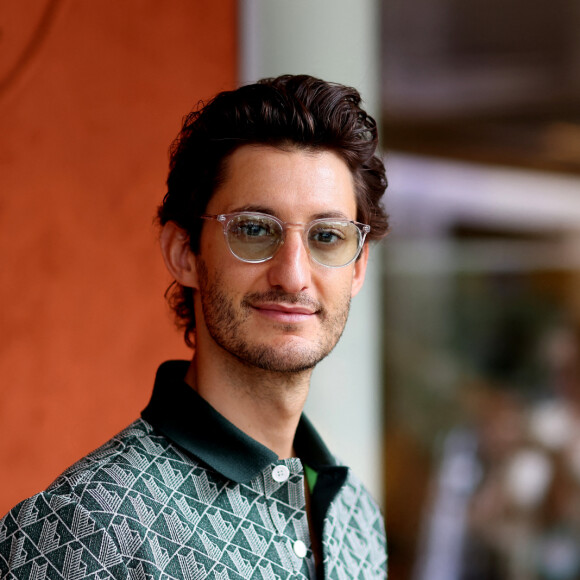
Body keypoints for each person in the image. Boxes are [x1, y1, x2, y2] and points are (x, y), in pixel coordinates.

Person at [0, 74, 389, 579]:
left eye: (327, 236)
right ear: (184, 253)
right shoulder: (90, 525)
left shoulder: (354, 516)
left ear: (357, 268)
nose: (293, 274)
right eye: (253, 229)